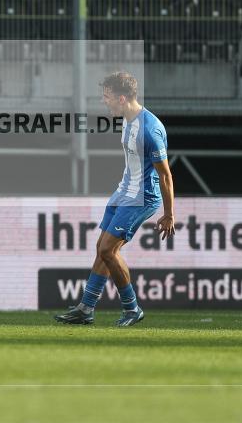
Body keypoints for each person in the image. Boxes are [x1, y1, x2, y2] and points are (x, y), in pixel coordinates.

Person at [55, 71, 175, 327]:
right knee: (102, 248)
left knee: (109, 249)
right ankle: (86, 308)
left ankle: (132, 308)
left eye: (107, 97)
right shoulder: (126, 119)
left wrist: (169, 214)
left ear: (122, 99)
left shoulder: (150, 130)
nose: (104, 101)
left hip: (142, 197)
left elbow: (165, 175)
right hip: (124, 191)